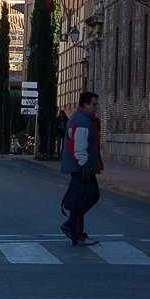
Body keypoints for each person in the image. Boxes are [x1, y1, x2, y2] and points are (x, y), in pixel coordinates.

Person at [59, 91, 103, 246]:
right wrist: (85, 166)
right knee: (87, 197)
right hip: (82, 169)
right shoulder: (83, 122)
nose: (96, 107)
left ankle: (73, 227)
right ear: (85, 104)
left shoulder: (82, 119)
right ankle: (75, 230)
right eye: (94, 104)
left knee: (84, 198)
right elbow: (78, 148)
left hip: (82, 168)